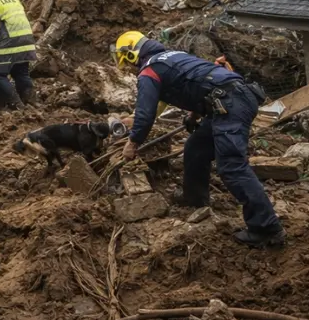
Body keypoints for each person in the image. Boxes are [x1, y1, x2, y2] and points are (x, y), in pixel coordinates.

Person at [114, 31, 285, 248]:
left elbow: (145, 114)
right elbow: (198, 83)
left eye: (126, 63)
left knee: (232, 167)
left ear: (131, 55)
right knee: (196, 147)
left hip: (229, 105)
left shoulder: (149, 71)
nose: (129, 70)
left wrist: (132, 143)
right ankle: (194, 197)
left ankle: (267, 229)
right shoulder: (173, 56)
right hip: (233, 98)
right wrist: (193, 115)